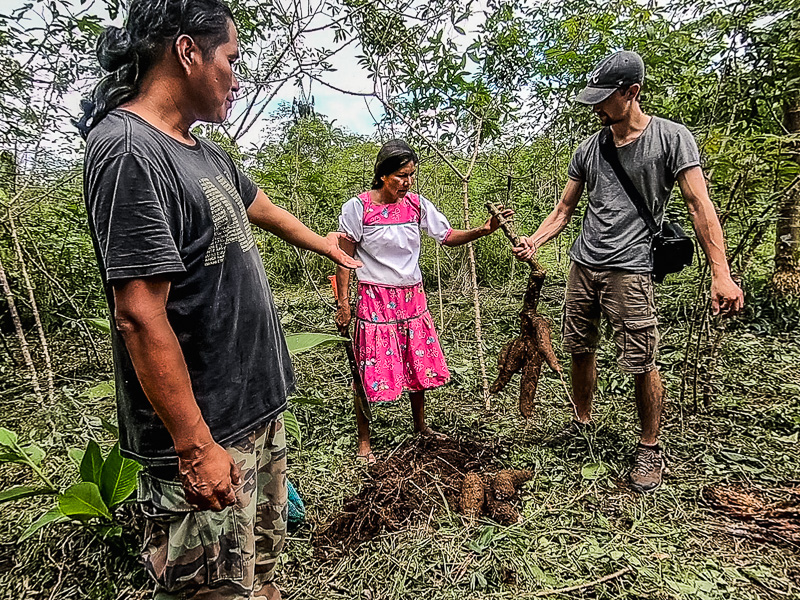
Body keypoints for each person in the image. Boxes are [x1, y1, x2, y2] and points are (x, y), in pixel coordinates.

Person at [79, 1, 360, 598]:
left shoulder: (202, 152)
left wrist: (324, 245)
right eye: (231, 59)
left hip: (254, 410)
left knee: (258, 574)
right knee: (209, 589)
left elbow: (259, 207)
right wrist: (195, 444)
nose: (238, 76)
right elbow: (138, 314)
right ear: (188, 52)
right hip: (209, 430)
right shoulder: (130, 151)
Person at [514, 51, 744, 493]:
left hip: (632, 269)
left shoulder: (671, 139)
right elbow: (565, 208)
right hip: (584, 264)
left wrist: (722, 272)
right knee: (579, 348)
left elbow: (699, 206)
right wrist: (536, 241)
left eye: (605, 98)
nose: (597, 108)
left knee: (641, 359)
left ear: (631, 93)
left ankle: (649, 446)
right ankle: (583, 422)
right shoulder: (589, 148)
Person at [334, 140, 512, 464]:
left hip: (411, 296)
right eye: (401, 176)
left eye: (411, 175)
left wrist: (484, 230)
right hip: (376, 300)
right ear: (383, 175)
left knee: (417, 364)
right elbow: (344, 256)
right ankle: (364, 443)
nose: (407, 182)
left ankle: (420, 426)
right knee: (365, 369)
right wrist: (344, 303)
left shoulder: (416, 206)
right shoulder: (358, 209)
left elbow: (448, 237)